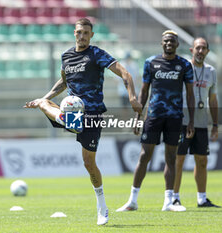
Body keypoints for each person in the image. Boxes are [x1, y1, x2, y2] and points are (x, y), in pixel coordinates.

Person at [24, 18, 142, 225]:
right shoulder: (67, 56)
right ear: (74, 33)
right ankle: (58, 113)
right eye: (79, 32)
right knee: (46, 104)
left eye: (86, 33)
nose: (82, 36)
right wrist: (45, 97)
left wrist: (132, 97)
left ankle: (101, 206)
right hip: (73, 110)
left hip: (93, 114)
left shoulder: (97, 54)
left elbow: (125, 73)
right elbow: (63, 82)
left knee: (89, 162)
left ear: (91, 35)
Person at [116, 30, 195, 212]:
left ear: (177, 44)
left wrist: (190, 120)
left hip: (175, 117)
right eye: (166, 41)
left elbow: (190, 95)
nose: (169, 44)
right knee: (144, 156)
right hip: (153, 116)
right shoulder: (151, 63)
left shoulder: (184, 65)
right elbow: (144, 91)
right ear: (162, 43)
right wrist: (138, 117)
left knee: (171, 158)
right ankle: (132, 201)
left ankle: (168, 202)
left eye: (172, 41)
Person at [173, 37, 220, 208]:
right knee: (179, 160)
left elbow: (213, 99)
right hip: (182, 121)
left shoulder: (211, 71)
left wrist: (215, 125)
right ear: (192, 50)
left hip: (201, 122)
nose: (200, 51)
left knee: (202, 160)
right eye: (197, 48)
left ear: (208, 51)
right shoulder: (184, 68)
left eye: (204, 48)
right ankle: (174, 197)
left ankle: (202, 198)